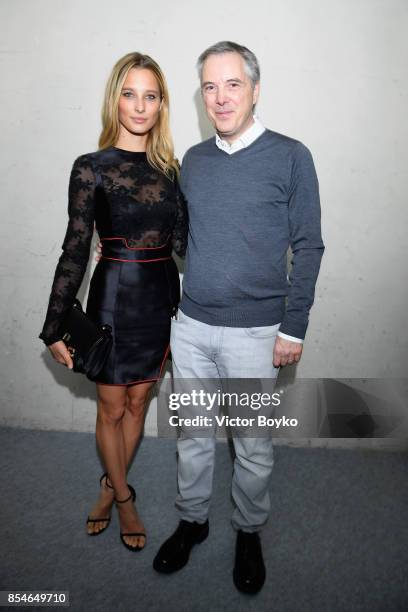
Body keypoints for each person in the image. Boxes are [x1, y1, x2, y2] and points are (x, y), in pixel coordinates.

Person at [153, 41, 325, 593]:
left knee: (251, 444)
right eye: (209, 86)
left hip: (257, 333)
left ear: (254, 88)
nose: (220, 98)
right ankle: (193, 521)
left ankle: (249, 530)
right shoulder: (193, 163)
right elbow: (182, 238)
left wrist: (293, 325)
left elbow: (310, 245)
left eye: (232, 84)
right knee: (194, 435)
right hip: (194, 328)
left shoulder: (291, 155)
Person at [39, 52, 187, 552]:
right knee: (111, 403)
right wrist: (55, 324)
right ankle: (124, 497)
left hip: (160, 296)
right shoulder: (91, 168)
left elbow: (187, 244)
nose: (139, 105)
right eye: (129, 93)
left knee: (141, 400)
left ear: (162, 103)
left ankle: (108, 483)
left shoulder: (173, 169)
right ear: (115, 99)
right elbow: (75, 247)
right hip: (114, 294)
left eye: (150, 95)